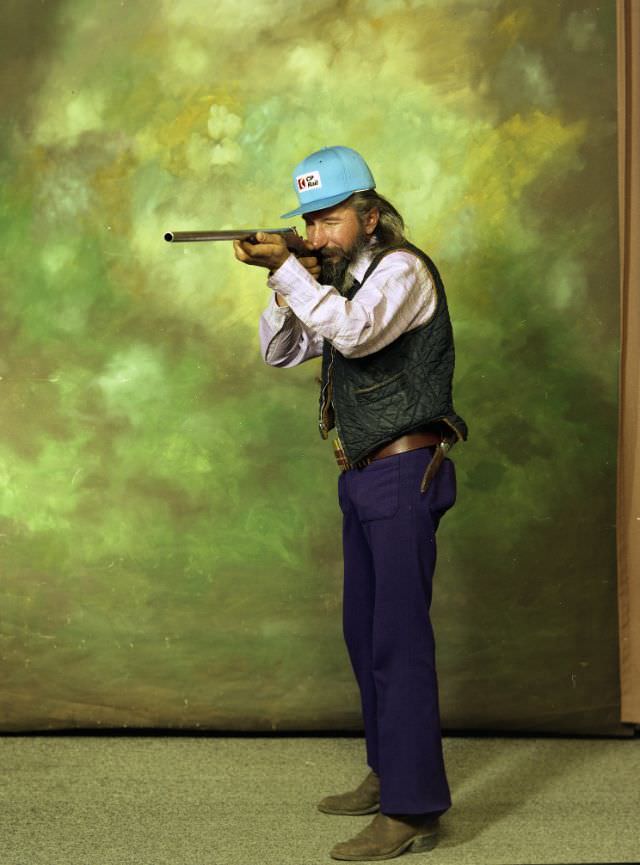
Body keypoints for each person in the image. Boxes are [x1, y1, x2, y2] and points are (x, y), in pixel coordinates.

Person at [234, 145, 467, 861]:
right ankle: (388, 769)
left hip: (404, 470)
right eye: (308, 221)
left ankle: (413, 806)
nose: (317, 233)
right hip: (361, 474)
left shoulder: (402, 271)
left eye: (330, 218)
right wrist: (287, 284)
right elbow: (281, 352)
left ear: (370, 215)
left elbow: (358, 332)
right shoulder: (333, 280)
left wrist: (287, 271)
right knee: (364, 635)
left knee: (398, 640)